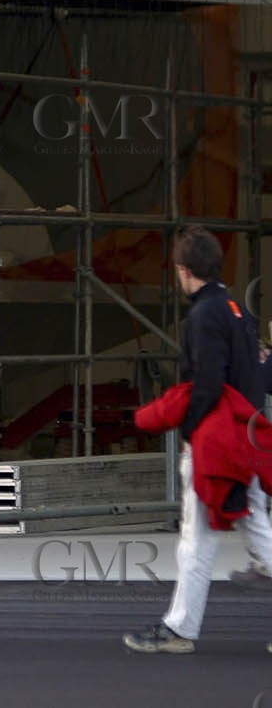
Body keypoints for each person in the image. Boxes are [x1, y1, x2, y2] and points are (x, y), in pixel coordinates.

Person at [123, 226, 272, 653]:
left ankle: (181, 629)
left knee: (198, 539)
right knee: (257, 528)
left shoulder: (204, 316)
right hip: (246, 440)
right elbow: (251, 377)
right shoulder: (238, 311)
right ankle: (180, 626)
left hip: (217, 445)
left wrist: (190, 433)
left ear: (184, 271)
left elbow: (205, 382)